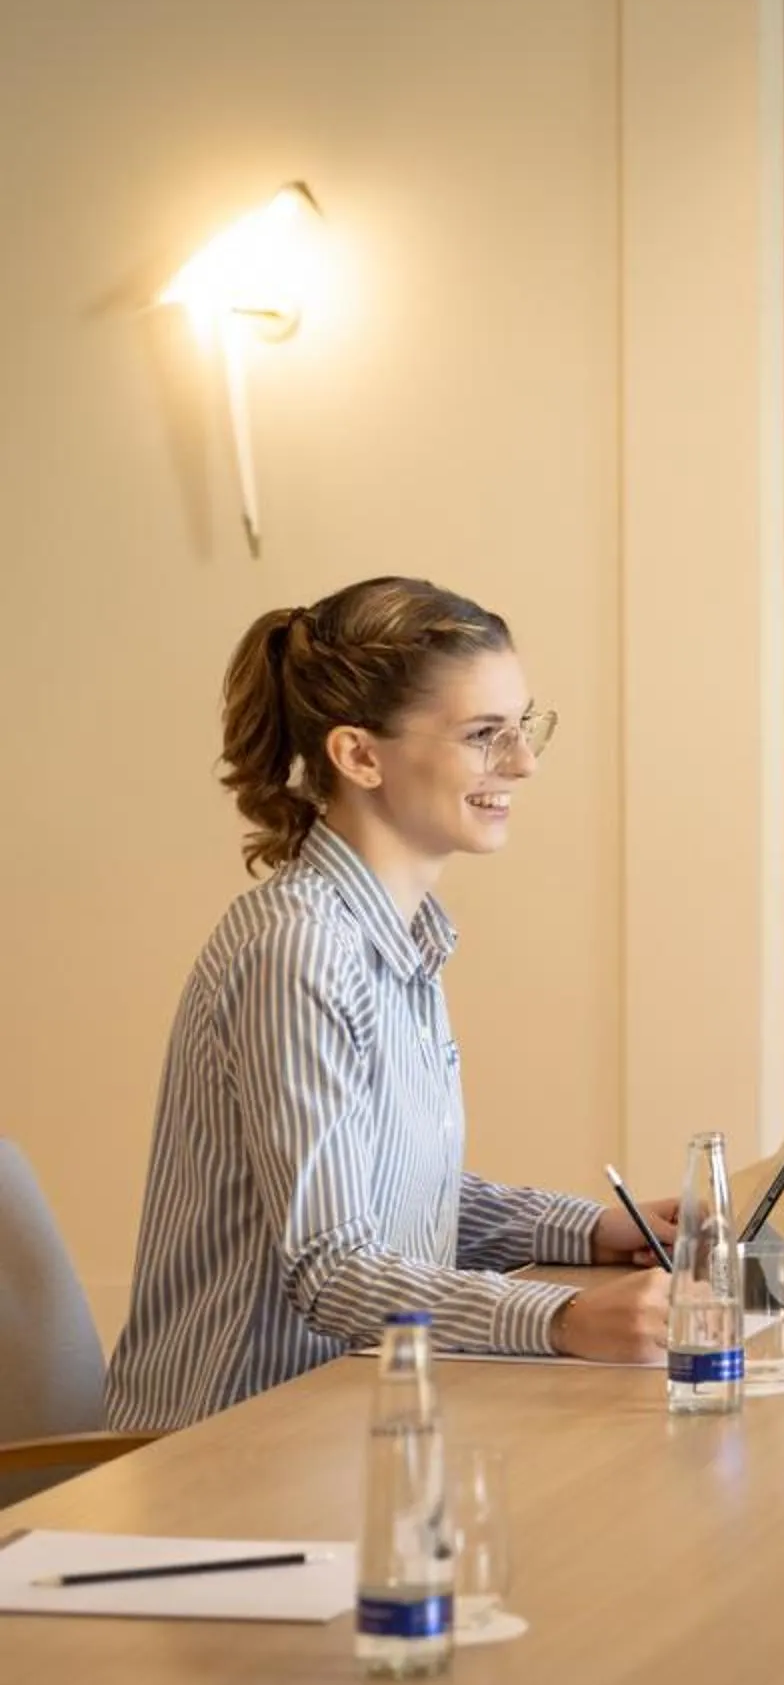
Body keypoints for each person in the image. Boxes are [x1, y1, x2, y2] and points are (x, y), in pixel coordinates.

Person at [107, 578, 675, 1431]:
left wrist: (592, 1230)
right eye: (484, 735)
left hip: (344, 1418)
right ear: (359, 756)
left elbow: (400, 1194)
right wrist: (562, 1318)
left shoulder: (397, 939)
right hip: (229, 1445)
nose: (522, 763)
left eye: (523, 726)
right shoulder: (297, 948)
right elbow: (334, 1269)